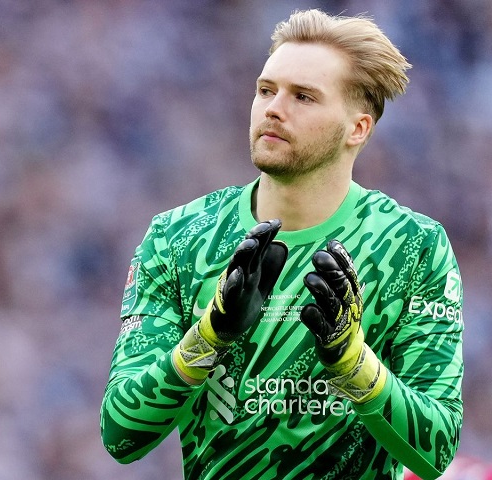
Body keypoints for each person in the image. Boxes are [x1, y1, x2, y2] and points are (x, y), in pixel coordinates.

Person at [100, 8, 464, 480]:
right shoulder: (178, 238)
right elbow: (121, 435)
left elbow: (435, 452)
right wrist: (209, 336)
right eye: (266, 90)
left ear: (357, 128)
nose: (273, 108)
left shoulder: (414, 246)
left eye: (303, 97)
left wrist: (351, 361)